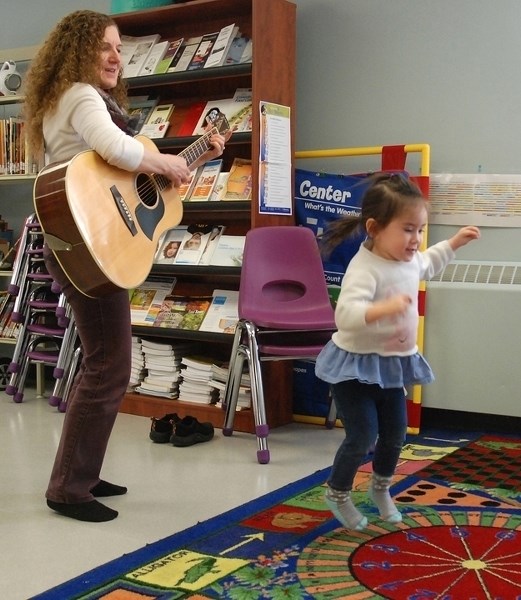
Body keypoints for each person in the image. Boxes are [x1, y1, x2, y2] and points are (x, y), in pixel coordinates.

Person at [23, 10, 228, 523]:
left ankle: (83, 473)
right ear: (77, 52)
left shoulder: (80, 100)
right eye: (104, 48)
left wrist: (193, 157)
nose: (116, 57)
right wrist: (166, 162)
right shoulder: (79, 94)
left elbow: (133, 180)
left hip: (93, 241)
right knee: (108, 365)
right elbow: (116, 149)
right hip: (88, 243)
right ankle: (69, 487)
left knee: (105, 361)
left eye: (120, 48)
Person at [315, 173, 480, 531]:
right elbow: (345, 316)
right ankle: (338, 493)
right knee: (362, 436)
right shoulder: (365, 269)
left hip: (391, 366)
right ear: (375, 228)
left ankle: (380, 488)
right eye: (408, 230)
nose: (416, 239)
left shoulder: (410, 259)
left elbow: (429, 261)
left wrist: (453, 243)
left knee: (395, 434)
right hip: (354, 369)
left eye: (420, 230)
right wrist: (381, 310)